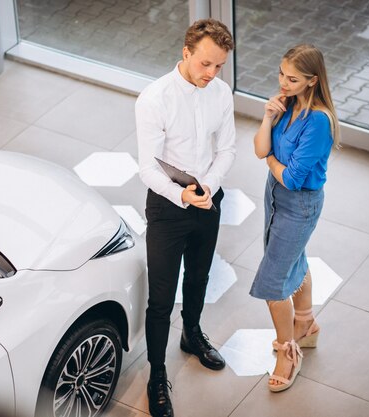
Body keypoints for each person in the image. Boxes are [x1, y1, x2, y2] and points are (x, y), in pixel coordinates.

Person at [135, 18, 236, 417]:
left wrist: (207, 187)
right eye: (205, 64)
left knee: (199, 277)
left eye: (218, 66)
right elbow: (147, 168)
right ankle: (157, 375)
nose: (211, 74)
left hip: (207, 199)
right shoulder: (154, 98)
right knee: (161, 298)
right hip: (167, 207)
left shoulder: (221, 92)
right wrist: (181, 195)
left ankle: (192, 335)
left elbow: (227, 148)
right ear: (186, 52)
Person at [251, 44, 340, 392]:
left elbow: (292, 177)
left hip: (299, 204)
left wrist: (272, 162)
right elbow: (259, 148)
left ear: (312, 81)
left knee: (274, 283)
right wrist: (267, 117)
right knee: (293, 260)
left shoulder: (318, 121)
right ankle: (306, 324)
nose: (283, 84)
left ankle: (288, 352)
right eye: (281, 74)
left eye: (293, 79)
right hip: (274, 198)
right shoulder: (285, 104)